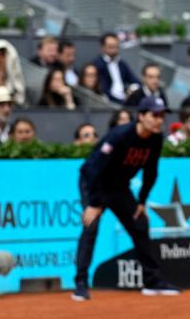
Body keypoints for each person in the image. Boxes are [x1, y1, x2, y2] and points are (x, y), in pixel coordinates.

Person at [71, 96, 179, 301]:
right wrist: (94, 203)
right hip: (95, 182)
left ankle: (152, 282)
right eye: (154, 115)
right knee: (91, 225)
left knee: (140, 223)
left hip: (118, 187)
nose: (159, 120)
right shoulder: (120, 135)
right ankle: (81, 284)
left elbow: (151, 171)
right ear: (141, 116)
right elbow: (94, 169)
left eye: (162, 115)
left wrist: (141, 201)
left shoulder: (156, 138)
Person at [92, 33, 139, 104]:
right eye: (110, 47)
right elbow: (103, 89)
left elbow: (135, 81)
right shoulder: (98, 64)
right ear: (102, 48)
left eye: (116, 47)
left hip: (125, 100)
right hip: (108, 103)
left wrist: (132, 89)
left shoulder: (122, 64)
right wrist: (121, 101)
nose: (114, 50)